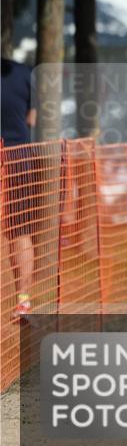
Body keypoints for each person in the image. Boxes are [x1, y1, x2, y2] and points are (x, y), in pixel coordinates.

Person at [1, 57, 38, 319]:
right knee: (20, 231)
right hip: (18, 158)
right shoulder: (25, 73)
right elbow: (32, 119)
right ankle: (23, 302)